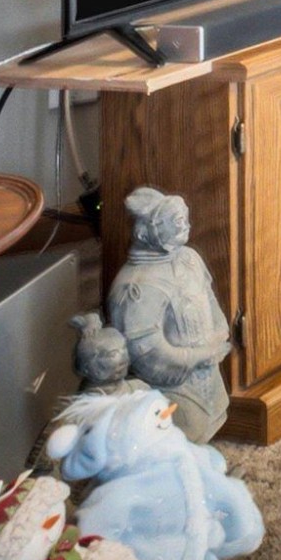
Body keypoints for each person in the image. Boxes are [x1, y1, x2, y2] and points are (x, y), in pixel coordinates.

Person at [106, 189, 233, 443]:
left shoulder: (189, 258)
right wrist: (196, 356)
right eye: (177, 222)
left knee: (212, 417)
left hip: (207, 371)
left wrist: (220, 335)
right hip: (174, 384)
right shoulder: (137, 286)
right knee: (184, 429)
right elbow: (146, 349)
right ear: (148, 230)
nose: (186, 226)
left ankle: (202, 467)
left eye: (186, 219)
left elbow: (209, 301)